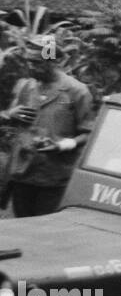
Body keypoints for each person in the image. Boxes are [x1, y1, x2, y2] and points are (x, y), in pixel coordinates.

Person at [1, 35, 94, 217]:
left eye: (37, 63)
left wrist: (62, 145)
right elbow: (9, 118)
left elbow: (89, 133)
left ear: (53, 61)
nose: (31, 68)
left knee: (44, 228)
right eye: (29, 62)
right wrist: (10, 115)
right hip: (23, 172)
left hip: (54, 176)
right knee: (22, 225)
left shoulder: (76, 91)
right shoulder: (27, 86)